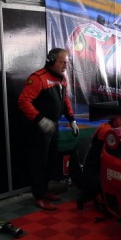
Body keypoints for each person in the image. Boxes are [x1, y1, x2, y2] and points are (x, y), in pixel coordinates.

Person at [18, 48, 79, 211]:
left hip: (53, 127)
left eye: (67, 62)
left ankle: (45, 191)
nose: (65, 65)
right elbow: (24, 101)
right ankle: (39, 197)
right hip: (39, 129)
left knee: (51, 160)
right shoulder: (38, 78)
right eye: (62, 62)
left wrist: (71, 119)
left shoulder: (61, 78)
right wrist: (40, 120)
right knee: (39, 162)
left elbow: (64, 100)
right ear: (51, 60)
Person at [72, 111, 121, 211]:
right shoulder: (106, 131)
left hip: (100, 170)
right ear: (115, 118)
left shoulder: (112, 128)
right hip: (94, 173)